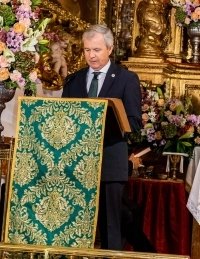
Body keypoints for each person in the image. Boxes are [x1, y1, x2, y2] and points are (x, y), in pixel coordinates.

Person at [62, 24, 142, 250]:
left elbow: (134, 123)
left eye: (96, 50)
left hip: (109, 163)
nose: (91, 55)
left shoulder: (126, 79)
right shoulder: (73, 80)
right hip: (76, 164)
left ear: (110, 48)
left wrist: (97, 123)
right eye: (87, 50)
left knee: (110, 226)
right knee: (73, 223)